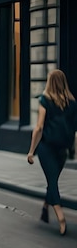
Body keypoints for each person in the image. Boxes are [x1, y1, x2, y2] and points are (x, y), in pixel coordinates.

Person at [27, 70, 77, 236]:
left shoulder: (45, 100)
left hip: (47, 147)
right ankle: (45, 208)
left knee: (52, 181)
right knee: (53, 179)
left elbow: (39, 127)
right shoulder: (72, 102)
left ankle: (61, 218)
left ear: (50, 82)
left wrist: (31, 151)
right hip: (63, 148)